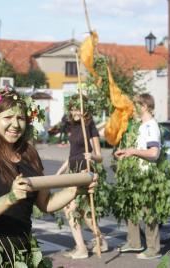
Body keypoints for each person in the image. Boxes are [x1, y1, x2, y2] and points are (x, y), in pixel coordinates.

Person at [0, 89, 97, 267]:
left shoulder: (30, 155)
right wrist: (10, 197)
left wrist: (75, 190)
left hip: (22, 252)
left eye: (20, 118)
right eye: (8, 118)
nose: (15, 124)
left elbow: (45, 203)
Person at [56, 95, 107, 259]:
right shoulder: (73, 125)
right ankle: (101, 240)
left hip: (84, 171)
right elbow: (72, 154)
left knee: (69, 209)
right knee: (85, 212)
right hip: (72, 171)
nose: (75, 111)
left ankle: (81, 248)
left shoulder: (89, 125)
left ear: (84, 108)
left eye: (78, 107)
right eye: (72, 108)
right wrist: (60, 171)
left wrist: (91, 156)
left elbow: (100, 156)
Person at [114, 93, 161, 259]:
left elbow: (154, 153)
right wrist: (126, 152)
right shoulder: (141, 126)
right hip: (136, 174)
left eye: (136, 106)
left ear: (144, 107)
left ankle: (153, 249)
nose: (133, 109)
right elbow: (138, 150)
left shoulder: (151, 126)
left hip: (147, 175)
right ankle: (134, 243)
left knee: (149, 214)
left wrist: (133, 151)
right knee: (131, 208)